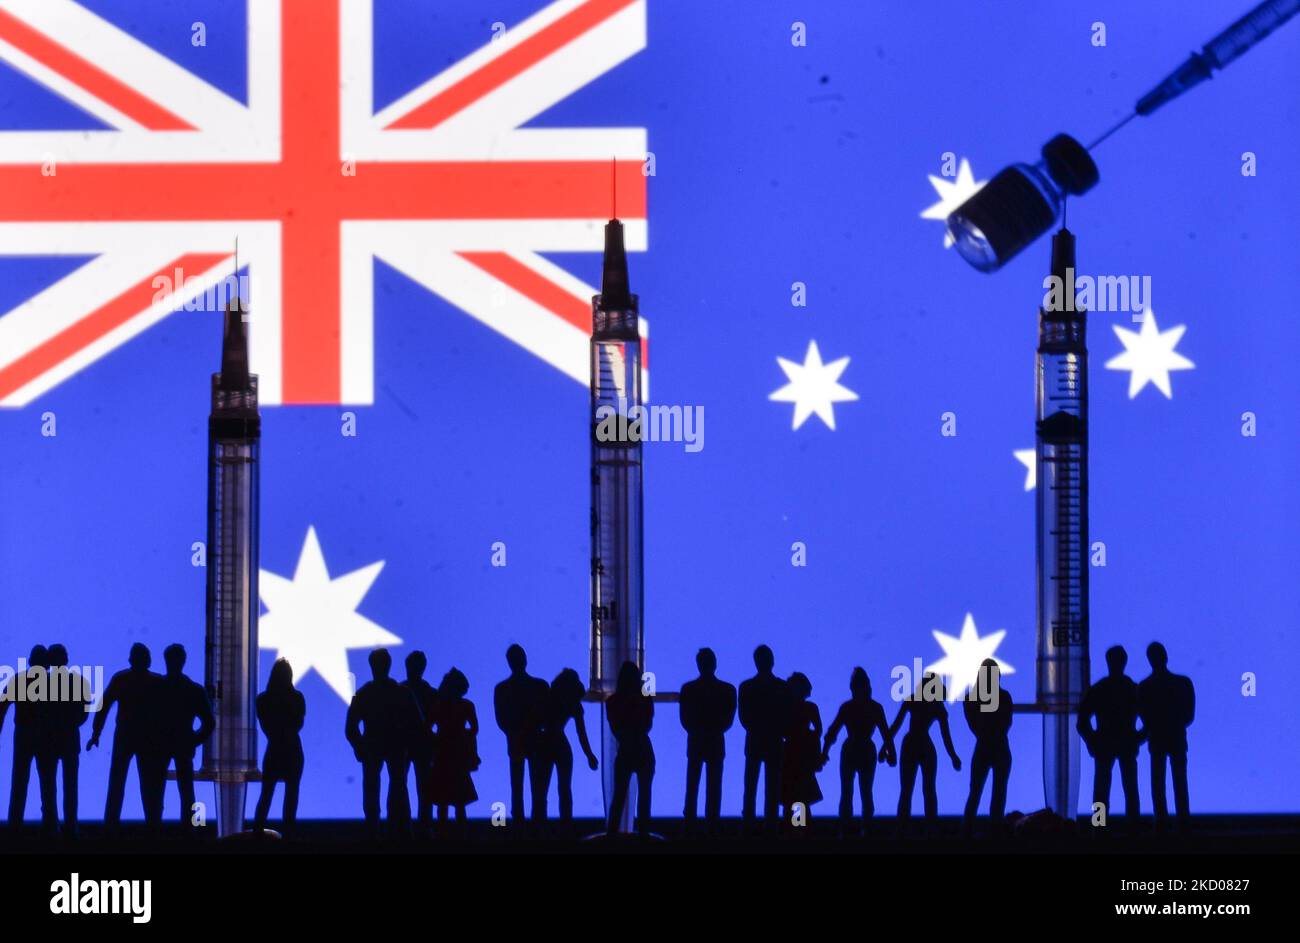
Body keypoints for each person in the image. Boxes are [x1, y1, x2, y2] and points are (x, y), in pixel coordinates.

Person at [87, 643, 166, 831]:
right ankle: (153, 827)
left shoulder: (121, 679)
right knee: (148, 784)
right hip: (147, 737)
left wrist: (96, 733)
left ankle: (111, 826)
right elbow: (166, 714)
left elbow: (103, 707)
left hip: (125, 735)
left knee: (117, 782)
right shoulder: (156, 681)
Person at [345, 648, 423, 834]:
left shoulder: (364, 694)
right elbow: (417, 723)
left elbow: (351, 727)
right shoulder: (400, 692)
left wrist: (360, 746)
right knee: (397, 785)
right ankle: (398, 829)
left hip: (374, 745)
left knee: (375, 786)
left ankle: (375, 828)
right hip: (394, 746)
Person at [821, 667, 895, 835]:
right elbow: (886, 734)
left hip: (854, 750)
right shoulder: (873, 708)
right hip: (862, 750)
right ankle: (860, 827)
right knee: (860, 791)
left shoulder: (850, 707)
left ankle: (853, 827)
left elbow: (832, 732)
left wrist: (824, 752)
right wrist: (891, 753)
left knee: (854, 791)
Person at [1077, 645, 1143, 830]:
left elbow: (1082, 721)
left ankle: (1099, 827)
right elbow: (1149, 719)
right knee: (1130, 789)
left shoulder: (1100, 689)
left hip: (1104, 744)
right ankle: (1133, 826)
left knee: (1101, 790)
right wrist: (1138, 737)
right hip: (1125, 744)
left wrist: (1092, 741)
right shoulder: (1132, 689)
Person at [889, 671, 961, 827]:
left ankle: (905, 829)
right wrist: (953, 756)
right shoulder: (936, 706)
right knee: (925, 790)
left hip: (911, 745)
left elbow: (895, 726)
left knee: (909, 790)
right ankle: (928, 829)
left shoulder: (914, 701)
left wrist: (885, 747)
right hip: (922, 746)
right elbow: (945, 736)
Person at [1138, 642, 1195, 830]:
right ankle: (1183, 821)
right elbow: (1188, 715)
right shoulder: (1182, 683)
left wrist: (1153, 727)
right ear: (1166, 657)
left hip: (1157, 738)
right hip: (1176, 736)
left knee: (1158, 782)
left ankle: (1162, 821)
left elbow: (1144, 716)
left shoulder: (1145, 687)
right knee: (1179, 781)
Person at [157, 643, 215, 830]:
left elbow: (208, 722)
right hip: (181, 743)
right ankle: (188, 831)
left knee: (158, 789)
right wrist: (193, 740)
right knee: (186, 790)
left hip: (164, 744)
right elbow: (209, 722)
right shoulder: (193, 690)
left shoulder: (159, 687)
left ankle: (155, 828)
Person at [678, 648, 736, 831]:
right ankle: (712, 824)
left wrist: (699, 729)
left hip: (696, 740)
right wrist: (713, 728)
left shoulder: (688, 689)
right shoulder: (727, 690)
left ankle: (690, 825)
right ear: (715, 664)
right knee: (714, 785)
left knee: (692, 784)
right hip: (715, 740)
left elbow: (685, 719)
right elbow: (728, 719)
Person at [0, 645, 56, 832]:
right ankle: (50, 825)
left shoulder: (18, 680)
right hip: (45, 735)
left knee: (19, 780)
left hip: (24, 733)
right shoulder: (53, 683)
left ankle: (14, 825)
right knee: (48, 780)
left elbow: (2, 708)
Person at [492, 644, 549, 824]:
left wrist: (513, 731)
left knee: (518, 784)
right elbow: (546, 714)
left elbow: (501, 718)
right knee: (536, 785)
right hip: (532, 737)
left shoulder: (502, 688)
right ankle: (537, 824)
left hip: (517, 738)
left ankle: (520, 825)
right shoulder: (539, 686)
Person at [536, 668, 597, 827]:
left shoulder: (547, 698)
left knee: (542, 790)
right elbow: (581, 733)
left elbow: (537, 721)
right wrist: (589, 754)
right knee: (564, 789)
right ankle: (566, 826)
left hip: (544, 744)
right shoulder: (574, 704)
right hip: (560, 745)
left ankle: (539, 827)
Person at [252, 658, 306, 833]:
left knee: (266, 794)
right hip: (293, 750)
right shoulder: (297, 698)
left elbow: (266, 726)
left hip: (274, 749)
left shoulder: (262, 700)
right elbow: (299, 724)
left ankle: (257, 832)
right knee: (291, 795)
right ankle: (288, 834)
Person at [43, 644, 91, 838]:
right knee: (70, 785)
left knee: (48, 785)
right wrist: (71, 723)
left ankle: (51, 826)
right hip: (70, 737)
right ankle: (71, 825)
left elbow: (40, 712)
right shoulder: (78, 681)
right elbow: (84, 712)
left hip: (49, 738)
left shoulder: (43, 683)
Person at [738, 644, 788, 829]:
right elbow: (786, 715)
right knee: (769, 787)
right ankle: (770, 825)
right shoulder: (781, 687)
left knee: (753, 787)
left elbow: (744, 717)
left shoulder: (747, 687)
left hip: (757, 740)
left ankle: (750, 825)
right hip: (772, 741)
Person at [962, 659, 1013, 834]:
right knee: (997, 792)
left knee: (976, 791)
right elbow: (1006, 723)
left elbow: (974, 724)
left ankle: (969, 830)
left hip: (984, 746)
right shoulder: (1004, 697)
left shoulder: (971, 699)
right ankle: (994, 830)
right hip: (998, 746)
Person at [605, 660, 654, 835]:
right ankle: (643, 835)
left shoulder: (612, 701)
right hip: (643, 748)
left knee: (619, 796)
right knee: (644, 796)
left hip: (625, 749)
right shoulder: (645, 698)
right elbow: (648, 724)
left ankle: (612, 835)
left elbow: (616, 729)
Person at [430, 668, 479, 827]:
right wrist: (464, 736)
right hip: (458, 753)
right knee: (460, 799)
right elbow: (474, 729)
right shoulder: (466, 705)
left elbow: (427, 727)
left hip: (443, 751)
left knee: (443, 798)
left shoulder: (438, 705)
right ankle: (460, 833)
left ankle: (441, 833)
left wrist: (437, 739)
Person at [401, 651, 439, 833]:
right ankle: (424, 825)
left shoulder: (399, 691)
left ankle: (404, 825)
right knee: (422, 786)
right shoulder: (430, 692)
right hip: (420, 744)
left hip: (406, 744)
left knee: (401, 784)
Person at [779, 672, 823, 827]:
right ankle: (798, 828)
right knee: (796, 794)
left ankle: (797, 828)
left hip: (797, 753)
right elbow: (818, 731)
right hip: (796, 754)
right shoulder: (807, 707)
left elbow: (818, 731)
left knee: (796, 794)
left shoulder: (791, 707)